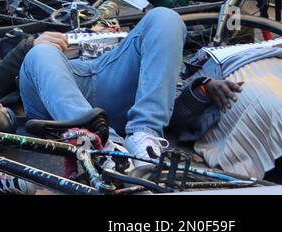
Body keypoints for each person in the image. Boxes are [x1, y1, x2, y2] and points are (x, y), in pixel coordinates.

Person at [19, 9, 187, 165]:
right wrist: (29, 44)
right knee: (41, 52)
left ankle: (144, 138)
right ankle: (103, 147)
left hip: (113, 73)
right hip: (55, 87)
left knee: (165, 16)